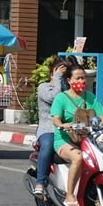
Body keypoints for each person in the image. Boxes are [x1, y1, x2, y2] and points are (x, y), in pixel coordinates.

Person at [50, 64, 103, 206]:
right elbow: (55, 119)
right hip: (65, 140)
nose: (82, 81)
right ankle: (69, 195)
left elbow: (102, 117)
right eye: (78, 78)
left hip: (88, 139)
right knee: (78, 157)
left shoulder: (90, 97)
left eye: (83, 78)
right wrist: (63, 125)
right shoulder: (61, 98)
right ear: (69, 80)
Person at [34, 57, 69, 195]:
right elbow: (54, 98)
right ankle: (40, 182)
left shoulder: (69, 92)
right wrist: (56, 80)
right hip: (48, 128)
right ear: (52, 74)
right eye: (60, 74)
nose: (62, 78)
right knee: (48, 144)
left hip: (68, 129)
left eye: (65, 75)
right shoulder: (44, 87)